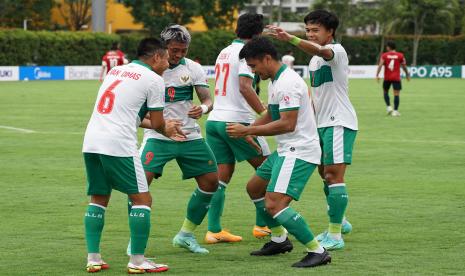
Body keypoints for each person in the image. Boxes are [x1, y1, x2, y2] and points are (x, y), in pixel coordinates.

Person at [82, 37, 184, 273]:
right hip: (119, 144)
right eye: (167, 59)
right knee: (142, 200)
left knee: (98, 197)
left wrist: (161, 125)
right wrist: (166, 127)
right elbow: (158, 122)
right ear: (157, 57)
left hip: (92, 140)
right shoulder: (154, 80)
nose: (168, 64)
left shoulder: (117, 71)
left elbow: (131, 115)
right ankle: (137, 260)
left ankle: (93, 257)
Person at [227, 36, 330, 268]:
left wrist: (249, 130)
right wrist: (251, 131)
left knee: (274, 204)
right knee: (254, 187)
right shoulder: (276, 80)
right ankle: (279, 239)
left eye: (254, 66)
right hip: (286, 149)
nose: (253, 72)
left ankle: (318, 250)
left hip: (299, 150)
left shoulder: (288, 83)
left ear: (266, 59)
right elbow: (272, 114)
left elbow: (287, 124)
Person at [267, 9, 358, 251]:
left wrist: (292, 39)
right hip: (320, 124)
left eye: (316, 30)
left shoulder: (336, 51)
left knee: (333, 176)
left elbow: (321, 50)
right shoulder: (313, 60)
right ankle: (342, 220)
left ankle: (336, 234)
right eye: (307, 30)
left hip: (338, 121)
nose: (311, 34)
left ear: (331, 32)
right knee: (323, 174)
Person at [134, 25, 218, 255]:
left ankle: (186, 234)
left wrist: (202, 108)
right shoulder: (149, 73)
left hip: (190, 136)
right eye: (174, 50)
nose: (179, 55)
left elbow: (208, 100)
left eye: (184, 50)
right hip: (157, 137)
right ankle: (136, 242)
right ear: (163, 48)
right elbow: (135, 116)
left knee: (211, 181)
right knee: (139, 187)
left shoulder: (193, 68)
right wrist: (161, 128)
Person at [205, 13, 272, 243]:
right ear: (257, 34)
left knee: (221, 177)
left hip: (215, 121)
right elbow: (245, 86)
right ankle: (263, 225)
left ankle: (213, 230)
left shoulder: (224, 51)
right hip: (236, 122)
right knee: (270, 169)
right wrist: (264, 114)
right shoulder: (247, 53)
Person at [376, 41, 410, 116]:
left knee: (385, 92)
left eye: (386, 46)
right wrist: (407, 74)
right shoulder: (400, 55)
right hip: (396, 78)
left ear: (389, 47)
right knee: (396, 94)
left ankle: (389, 107)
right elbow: (404, 66)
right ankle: (395, 111)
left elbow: (380, 65)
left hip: (387, 78)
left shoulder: (384, 55)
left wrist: (377, 75)